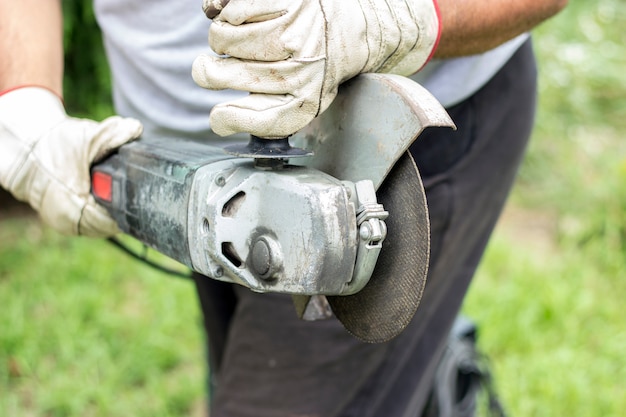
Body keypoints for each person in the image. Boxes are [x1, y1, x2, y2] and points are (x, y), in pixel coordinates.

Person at [0, 0, 568, 416]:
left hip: (388, 148)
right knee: (253, 371)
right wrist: (24, 105)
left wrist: (395, 20)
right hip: (188, 161)